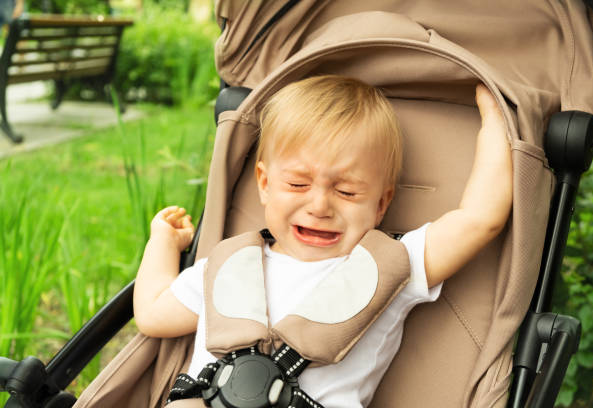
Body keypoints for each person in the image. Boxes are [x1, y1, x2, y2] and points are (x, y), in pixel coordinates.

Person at [133, 75, 513, 407]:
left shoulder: (389, 265)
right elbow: (152, 313)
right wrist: (164, 243)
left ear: (381, 203)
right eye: (297, 184)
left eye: (347, 192)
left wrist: (498, 122)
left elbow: (479, 220)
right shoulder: (227, 265)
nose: (319, 206)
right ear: (264, 184)